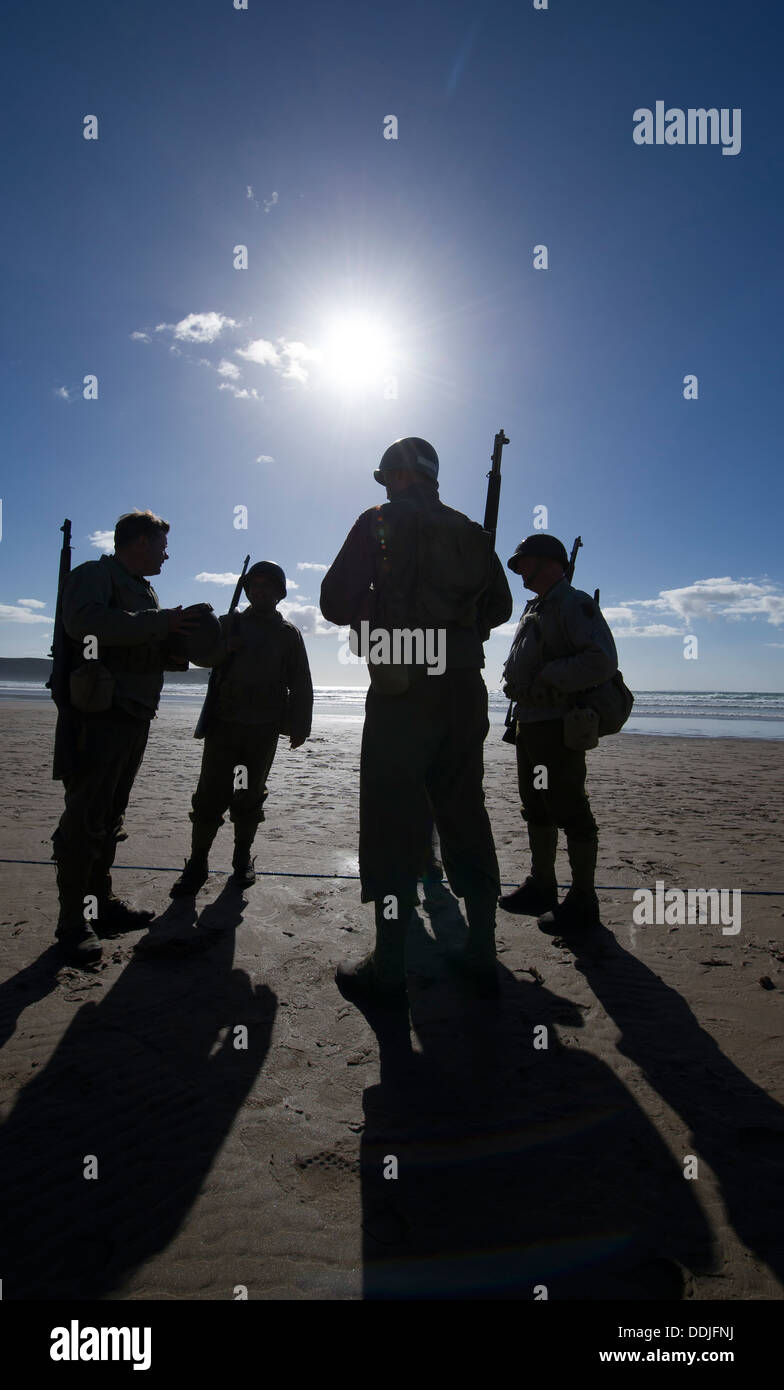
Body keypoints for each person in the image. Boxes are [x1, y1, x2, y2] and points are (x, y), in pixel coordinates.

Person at [320, 436, 513, 1003]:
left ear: (397, 476)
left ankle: (390, 965)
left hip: (401, 685)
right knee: (464, 810)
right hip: (462, 686)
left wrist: (375, 613)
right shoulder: (470, 532)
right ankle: (481, 950)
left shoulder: (379, 519)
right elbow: (498, 606)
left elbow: (334, 600)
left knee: (391, 820)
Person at [51, 510, 202, 965]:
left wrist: (181, 641)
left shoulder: (142, 589)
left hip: (132, 713)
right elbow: (85, 624)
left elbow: (140, 639)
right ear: (136, 542)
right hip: (98, 715)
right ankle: (73, 923)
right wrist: (160, 624)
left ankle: (102, 905)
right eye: (160, 545)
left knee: (110, 817)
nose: (166, 553)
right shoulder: (96, 576)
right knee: (84, 821)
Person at [170, 561, 313, 896]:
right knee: (209, 796)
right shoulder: (227, 623)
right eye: (254, 585)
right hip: (224, 725)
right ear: (247, 590)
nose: (260, 590)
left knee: (249, 796)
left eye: (267, 585)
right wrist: (224, 649)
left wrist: (300, 725)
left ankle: (242, 858)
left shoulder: (288, 633)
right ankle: (197, 862)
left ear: (280, 593)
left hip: (263, 730)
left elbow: (301, 682)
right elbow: (202, 657)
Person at [499, 533, 618, 933]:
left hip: (558, 725)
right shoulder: (537, 606)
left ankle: (584, 900)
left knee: (569, 807)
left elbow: (601, 661)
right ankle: (542, 885)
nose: (519, 572)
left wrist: (550, 678)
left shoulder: (573, 603)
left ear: (549, 563)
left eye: (524, 564)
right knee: (535, 804)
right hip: (531, 723)